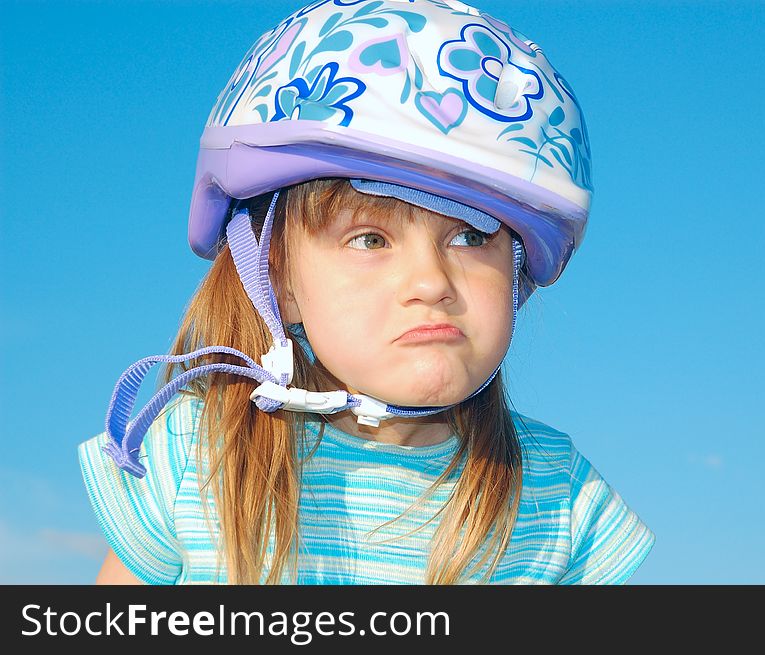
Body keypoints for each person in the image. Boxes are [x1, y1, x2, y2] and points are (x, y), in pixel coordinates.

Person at [78, 0, 655, 585]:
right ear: (278, 278)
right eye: (371, 239)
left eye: (470, 235)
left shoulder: (561, 502)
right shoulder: (194, 455)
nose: (431, 282)